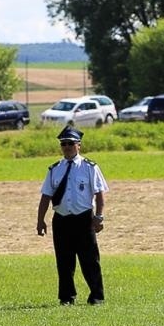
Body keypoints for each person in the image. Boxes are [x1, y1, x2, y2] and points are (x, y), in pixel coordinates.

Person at [35, 126, 107, 305]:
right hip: (61, 220)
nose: (67, 147)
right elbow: (46, 195)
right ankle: (66, 297)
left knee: (90, 260)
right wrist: (40, 220)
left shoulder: (89, 167)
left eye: (70, 143)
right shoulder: (54, 169)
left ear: (79, 145)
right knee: (64, 262)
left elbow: (99, 194)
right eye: (63, 144)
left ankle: (96, 296)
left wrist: (98, 217)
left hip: (83, 219)